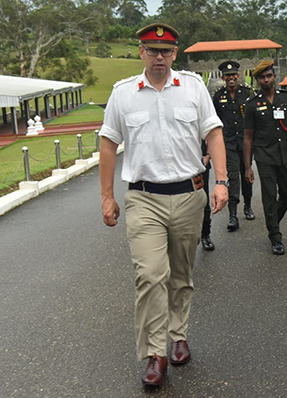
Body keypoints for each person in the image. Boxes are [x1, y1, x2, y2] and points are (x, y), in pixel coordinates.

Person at [98, 23, 228, 388]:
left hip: (189, 195)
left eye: (166, 51)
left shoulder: (192, 87)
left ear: (175, 53)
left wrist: (221, 181)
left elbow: (213, 132)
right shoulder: (124, 94)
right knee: (151, 275)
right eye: (152, 50)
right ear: (141, 52)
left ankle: (179, 333)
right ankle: (156, 353)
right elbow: (108, 143)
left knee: (182, 275)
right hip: (144, 199)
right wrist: (107, 196)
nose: (159, 57)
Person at [243, 60, 287, 255]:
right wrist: (248, 166)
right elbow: (248, 137)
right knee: (269, 197)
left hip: (285, 153)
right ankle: (275, 237)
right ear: (257, 80)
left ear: (274, 76)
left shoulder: (286, 99)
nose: (266, 80)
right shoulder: (252, 105)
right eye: (262, 77)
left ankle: (272, 221)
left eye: (269, 75)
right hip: (264, 155)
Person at [212, 61, 255, 231]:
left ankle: (248, 206)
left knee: (246, 174)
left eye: (234, 75)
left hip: (245, 142)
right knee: (233, 176)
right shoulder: (218, 97)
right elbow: (214, 121)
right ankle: (233, 215)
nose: (231, 78)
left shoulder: (248, 93)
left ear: (238, 76)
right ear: (223, 77)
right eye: (227, 75)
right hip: (227, 143)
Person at [200, 141, 214, 250]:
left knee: (204, 199)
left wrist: (208, 156)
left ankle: (205, 235)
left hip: (201, 163)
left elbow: (211, 137)